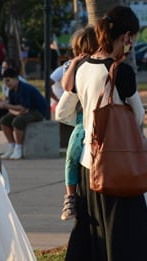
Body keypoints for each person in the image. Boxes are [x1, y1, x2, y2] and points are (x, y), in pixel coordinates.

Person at [54, 6, 147, 261]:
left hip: (90, 166)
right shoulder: (121, 71)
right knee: (136, 240)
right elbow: (139, 116)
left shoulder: (83, 67)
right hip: (117, 167)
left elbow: (66, 110)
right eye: (131, 38)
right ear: (126, 36)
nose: (131, 44)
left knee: (85, 238)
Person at [56, 26, 98, 220]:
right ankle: (70, 196)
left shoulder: (101, 65)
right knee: (72, 154)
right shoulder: (76, 65)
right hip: (82, 119)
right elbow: (67, 86)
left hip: (94, 117)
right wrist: (74, 64)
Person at [0, 67, 49, 160]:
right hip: (27, 110)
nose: (6, 83)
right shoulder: (11, 91)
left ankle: (18, 147)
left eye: (8, 80)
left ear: (16, 78)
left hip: (38, 111)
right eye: (5, 81)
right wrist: (6, 105)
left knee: (18, 121)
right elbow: (15, 107)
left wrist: (6, 105)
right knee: (4, 121)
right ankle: (11, 145)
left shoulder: (24, 88)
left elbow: (23, 107)